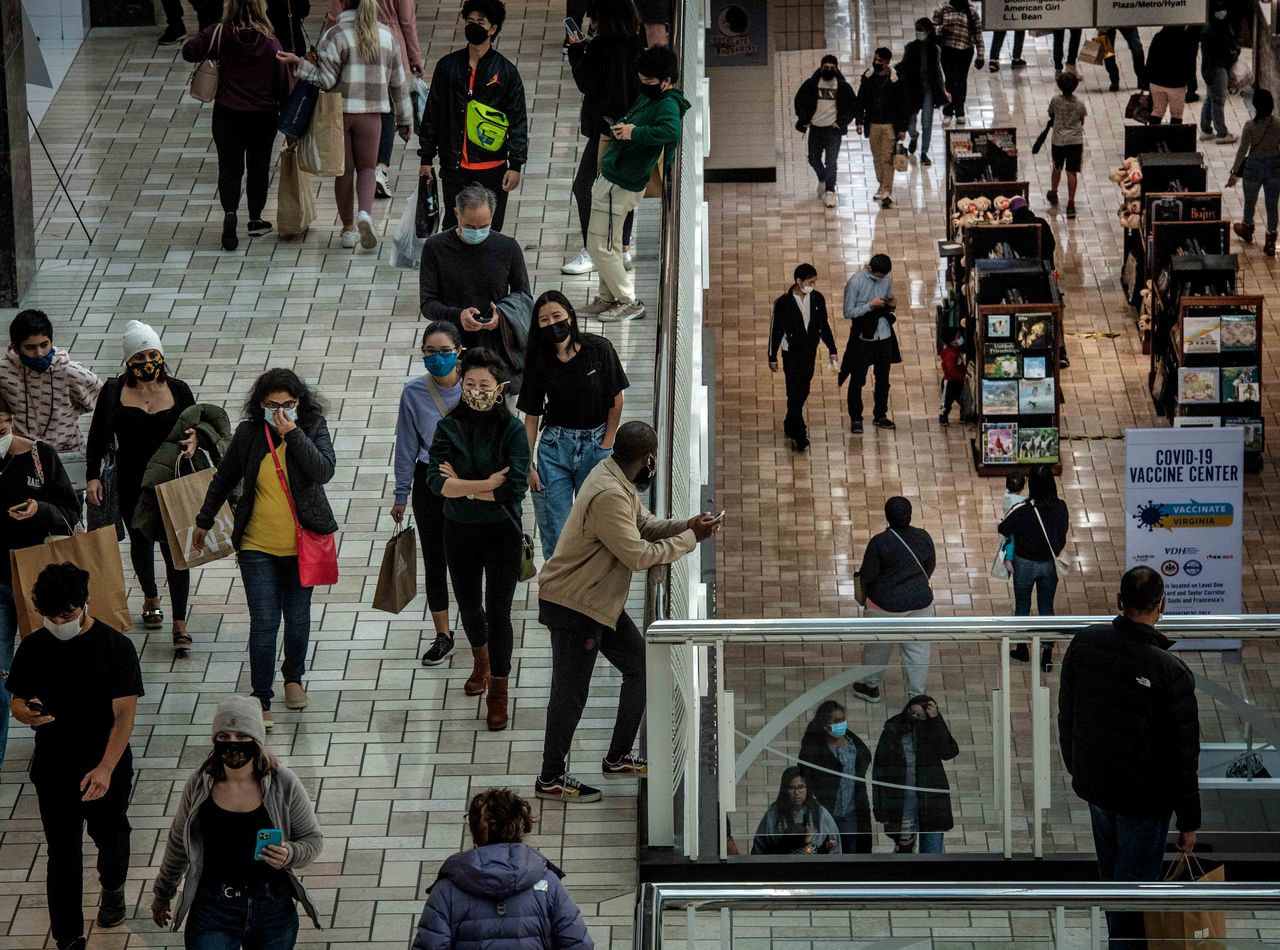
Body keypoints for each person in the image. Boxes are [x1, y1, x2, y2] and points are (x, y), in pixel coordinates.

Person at [534, 421, 722, 803]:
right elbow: (637, 555)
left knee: (641, 665)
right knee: (570, 695)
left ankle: (617, 757)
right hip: (575, 606)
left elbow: (643, 524)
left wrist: (686, 525)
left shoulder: (613, 476)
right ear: (648, 459)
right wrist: (690, 540)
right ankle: (550, 778)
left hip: (598, 602)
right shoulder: (609, 494)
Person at [1059, 567, 1200, 948]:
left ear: (1120, 602)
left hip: (1098, 788)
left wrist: (1078, 767)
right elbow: (1183, 756)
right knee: (1136, 893)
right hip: (1144, 801)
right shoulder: (1171, 671)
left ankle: (1118, 940)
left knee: (1113, 880)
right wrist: (1189, 821)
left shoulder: (1085, 643)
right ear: (1162, 606)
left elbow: (1067, 713)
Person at [5, 562, 143, 950]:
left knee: (111, 836)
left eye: (65, 614)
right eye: (50, 615)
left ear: (83, 604)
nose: (58, 621)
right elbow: (16, 697)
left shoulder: (116, 648)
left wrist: (105, 768)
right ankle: (69, 938)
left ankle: (112, 886)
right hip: (53, 767)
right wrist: (22, 712)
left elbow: (124, 717)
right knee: (62, 854)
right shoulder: (34, 646)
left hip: (106, 764)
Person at [193, 369, 338, 727]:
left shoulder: (312, 426)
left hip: (302, 544)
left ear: (299, 403)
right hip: (257, 545)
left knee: (298, 617)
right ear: (260, 404)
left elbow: (323, 471)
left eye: (288, 404)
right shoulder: (248, 433)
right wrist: (204, 519)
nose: (280, 411)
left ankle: (293, 678)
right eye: (272, 405)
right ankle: (261, 697)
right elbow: (225, 477)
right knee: (264, 622)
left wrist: (294, 433)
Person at [151, 696, 324, 947]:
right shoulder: (199, 784)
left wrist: (289, 854)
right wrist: (163, 893)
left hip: (272, 909)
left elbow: (313, 840)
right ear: (215, 740)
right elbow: (178, 843)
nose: (233, 745)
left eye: (242, 737)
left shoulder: (283, 783)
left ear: (257, 741)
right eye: (224, 736)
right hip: (213, 909)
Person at [426, 348, 530, 732]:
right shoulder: (448, 427)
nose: (475, 390)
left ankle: (499, 691)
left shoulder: (513, 430)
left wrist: (462, 487)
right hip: (459, 530)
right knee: (469, 605)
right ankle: (480, 662)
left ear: (499, 388)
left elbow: (515, 489)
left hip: (502, 532)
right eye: (469, 384)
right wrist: (484, 485)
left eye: (483, 384)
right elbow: (436, 483)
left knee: (499, 612)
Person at [86, 320, 197, 649]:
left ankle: (179, 621)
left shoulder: (179, 390)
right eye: (139, 357)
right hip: (132, 482)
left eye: (152, 355)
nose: (147, 363)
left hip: (171, 481)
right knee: (141, 542)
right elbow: (97, 437)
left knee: (175, 551)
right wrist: (93, 475)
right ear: (128, 361)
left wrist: (194, 440)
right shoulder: (114, 392)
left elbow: (195, 426)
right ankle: (150, 596)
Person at [279, 0, 412, 250]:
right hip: (373, 115)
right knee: (367, 169)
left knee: (344, 171)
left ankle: (348, 229)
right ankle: (365, 214)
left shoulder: (334, 35)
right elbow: (398, 83)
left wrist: (300, 64)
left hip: (339, 115)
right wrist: (405, 120)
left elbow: (326, 81)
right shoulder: (386, 36)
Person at [584, 45, 690, 322]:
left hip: (622, 181)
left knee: (598, 245)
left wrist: (633, 132)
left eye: (649, 81)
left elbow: (671, 131)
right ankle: (609, 296)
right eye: (641, 79)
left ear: (666, 79)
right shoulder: (652, 97)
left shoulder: (667, 103)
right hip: (618, 177)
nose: (643, 85)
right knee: (612, 243)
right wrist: (625, 127)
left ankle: (629, 301)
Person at [519, 291, 628, 560]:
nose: (552, 323)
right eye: (544, 320)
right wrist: (526, 464)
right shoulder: (539, 361)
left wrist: (607, 443)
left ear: (570, 315)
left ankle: (595, 591)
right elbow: (531, 417)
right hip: (555, 447)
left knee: (597, 522)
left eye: (557, 316)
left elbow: (616, 400)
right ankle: (559, 593)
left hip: (595, 444)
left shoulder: (599, 349)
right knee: (556, 528)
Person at [412, 788, 594, 948]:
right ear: (518, 829)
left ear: (475, 832)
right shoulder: (548, 883)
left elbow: (431, 945)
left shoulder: (446, 891)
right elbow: (578, 943)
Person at [0, 411, 79, 767]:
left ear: (12, 419)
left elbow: (70, 511)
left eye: (1, 427)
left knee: (54, 666)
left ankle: (60, 739)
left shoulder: (39, 455)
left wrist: (40, 510)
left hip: (37, 577)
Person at [183, 0, 290, 252]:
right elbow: (283, 85)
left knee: (229, 168)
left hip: (227, 114)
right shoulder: (270, 42)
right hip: (263, 117)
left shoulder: (220, 33)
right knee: (258, 167)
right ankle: (255, 219)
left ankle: (230, 213)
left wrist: (212, 52)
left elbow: (189, 51)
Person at [418, 0, 528, 233]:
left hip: (493, 168)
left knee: (492, 231)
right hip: (454, 167)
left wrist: (516, 164)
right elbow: (432, 114)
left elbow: (518, 119)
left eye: (480, 22)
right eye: (470, 22)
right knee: (453, 228)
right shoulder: (447, 67)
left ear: (493, 29)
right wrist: (426, 158)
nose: (474, 26)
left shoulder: (506, 72)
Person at [392, 322, 463, 666]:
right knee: (435, 558)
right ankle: (443, 634)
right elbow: (406, 445)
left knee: (468, 557)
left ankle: (479, 627)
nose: (437, 359)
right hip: (430, 480)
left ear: (459, 352)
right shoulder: (413, 393)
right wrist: (401, 494)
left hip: (470, 481)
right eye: (430, 352)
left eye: (445, 352)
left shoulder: (477, 385)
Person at [565, 0, 647, 273]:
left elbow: (585, 82)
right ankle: (622, 248)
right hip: (632, 129)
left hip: (605, 131)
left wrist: (577, 49)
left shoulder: (600, 47)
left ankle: (594, 249)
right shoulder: (636, 42)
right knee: (625, 186)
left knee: (584, 187)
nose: (591, 25)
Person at [322, 0, 424, 199]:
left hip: (349, 42)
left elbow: (333, 16)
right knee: (387, 108)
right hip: (386, 42)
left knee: (354, 106)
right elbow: (407, 21)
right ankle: (380, 167)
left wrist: (328, 44)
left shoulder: (338, 30)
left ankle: (352, 166)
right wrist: (414, 57)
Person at [419, 184, 532, 348]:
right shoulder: (435, 247)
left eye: (484, 226)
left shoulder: (508, 247)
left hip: (496, 343)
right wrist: (458, 316)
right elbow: (428, 303)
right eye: (470, 227)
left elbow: (523, 296)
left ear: (492, 216)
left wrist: (501, 315)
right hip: (452, 344)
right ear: (457, 213)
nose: (477, 232)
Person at [851, 497, 936, 704]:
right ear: (910, 514)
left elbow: (868, 575)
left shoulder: (879, 542)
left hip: (884, 607)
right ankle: (916, 697)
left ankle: (871, 687)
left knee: (877, 647)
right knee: (918, 650)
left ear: (887, 517)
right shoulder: (923, 537)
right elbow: (930, 565)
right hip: (920, 604)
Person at [0, 309, 103, 462]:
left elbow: (101, 396)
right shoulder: (4, 372)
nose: (39, 353)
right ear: (16, 348)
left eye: (44, 345)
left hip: (68, 453)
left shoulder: (70, 371)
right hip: (23, 454)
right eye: (30, 347)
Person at [998, 464, 1069, 671]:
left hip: (1025, 564)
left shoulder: (1025, 511)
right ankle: (1046, 654)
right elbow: (1062, 533)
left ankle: (1022, 649)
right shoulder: (1061, 507)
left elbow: (1003, 528)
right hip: (1050, 565)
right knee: (1046, 607)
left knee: (1022, 606)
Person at [872, 695, 959, 854]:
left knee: (932, 849)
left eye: (919, 716)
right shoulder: (893, 729)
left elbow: (949, 751)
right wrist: (881, 808)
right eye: (912, 712)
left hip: (930, 802)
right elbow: (880, 770)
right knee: (904, 848)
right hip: (903, 802)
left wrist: (936, 720)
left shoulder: (932, 729)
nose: (913, 717)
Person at [768, 263, 838, 451]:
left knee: (803, 389)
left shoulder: (817, 299)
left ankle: (790, 421)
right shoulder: (783, 303)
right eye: (810, 282)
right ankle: (799, 433)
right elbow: (776, 330)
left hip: (809, 352)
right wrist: (772, 355)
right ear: (799, 281)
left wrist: (832, 349)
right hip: (791, 353)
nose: (813, 285)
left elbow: (824, 325)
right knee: (794, 390)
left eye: (814, 282)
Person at [798, 700, 872, 854]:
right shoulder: (814, 751)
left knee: (851, 853)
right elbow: (805, 779)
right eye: (836, 721)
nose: (842, 723)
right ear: (825, 725)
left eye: (843, 719)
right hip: (824, 815)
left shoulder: (853, 747)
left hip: (851, 814)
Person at [839, 253, 902, 434]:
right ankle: (856, 418)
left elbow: (890, 301)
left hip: (884, 335)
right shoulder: (855, 282)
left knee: (883, 378)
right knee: (858, 379)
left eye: (885, 275)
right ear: (872, 270)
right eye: (880, 275)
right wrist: (870, 306)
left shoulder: (886, 279)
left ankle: (880, 414)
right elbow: (848, 312)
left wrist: (892, 304)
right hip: (863, 337)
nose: (883, 278)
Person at [794, 54, 857, 207]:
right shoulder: (811, 84)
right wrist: (804, 119)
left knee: (831, 162)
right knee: (813, 159)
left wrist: (841, 122)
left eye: (832, 68)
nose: (829, 70)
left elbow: (852, 106)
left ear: (836, 69)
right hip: (815, 128)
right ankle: (823, 178)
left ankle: (830, 191)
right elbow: (799, 101)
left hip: (833, 130)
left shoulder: (842, 86)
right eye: (826, 68)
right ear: (821, 68)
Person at [853, 47, 908, 209]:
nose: (876, 63)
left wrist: (903, 128)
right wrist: (859, 121)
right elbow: (861, 100)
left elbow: (903, 105)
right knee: (877, 157)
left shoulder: (896, 80)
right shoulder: (868, 77)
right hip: (873, 123)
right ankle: (881, 184)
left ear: (887, 62)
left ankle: (886, 190)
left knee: (887, 157)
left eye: (880, 61)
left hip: (890, 125)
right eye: (875, 59)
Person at [1228, 89, 1280, 256]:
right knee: (1272, 205)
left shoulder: (1250, 126)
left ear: (1255, 105)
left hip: (1253, 167)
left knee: (1250, 201)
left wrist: (1234, 172)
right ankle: (1271, 240)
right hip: (1274, 167)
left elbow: (1242, 150)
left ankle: (1247, 228)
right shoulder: (1278, 124)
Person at [751, 766, 841, 855]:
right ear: (785, 790)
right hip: (781, 865)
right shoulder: (774, 812)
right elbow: (759, 848)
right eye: (792, 788)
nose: (796, 792)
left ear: (807, 788)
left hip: (813, 865)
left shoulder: (819, 811)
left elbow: (835, 847)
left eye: (801, 787)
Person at [899, 20, 948, 168]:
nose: (918, 32)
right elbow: (903, 68)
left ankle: (924, 152)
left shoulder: (935, 49)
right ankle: (914, 136)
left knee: (927, 122)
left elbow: (938, 72)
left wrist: (943, 90)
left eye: (921, 30)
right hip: (913, 88)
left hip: (929, 88)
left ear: (928, 31)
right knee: (910, 121)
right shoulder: (910, 47)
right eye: (917, 30)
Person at [932, 0, 983, 126]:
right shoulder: (943, 9)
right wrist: (940, 30)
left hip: (965, 51)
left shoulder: (972, 11)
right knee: (950, 80)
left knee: (961, 80)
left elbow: (977, 33)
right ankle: (948, 112)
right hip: (947, 50)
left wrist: (980, 55)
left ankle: (960, 112)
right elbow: (933, 28)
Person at [1045, 71, 1087, 219]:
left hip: (1058, 140)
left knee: (1057, 166)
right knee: (1072, 172)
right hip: (1075, 141)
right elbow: (1082, 120)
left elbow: (1051, 114)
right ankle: (1070, 203)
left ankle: (1054, 192)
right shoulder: (1080, 103)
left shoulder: (1055, 101)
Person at [1200, 4, 1238, 145]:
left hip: (1210, 69)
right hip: (1217, 69)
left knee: (1211, 98)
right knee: (1218, 101)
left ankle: (1206, 128)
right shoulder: (1216, 30)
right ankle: (1221, 132)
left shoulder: (1209, 29)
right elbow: (1225, 49)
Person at [1146, 26, 1190, 125]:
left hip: (1157, 82)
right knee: (1176, 115)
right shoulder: (1184, 38)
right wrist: (1191, 84)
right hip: (1177, 84)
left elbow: (1150, 60)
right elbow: (1189, 62)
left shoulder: (1158, 37)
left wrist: (1146, 81)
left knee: (1157, 112)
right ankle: (1174, 138)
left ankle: (1153, 138)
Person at [1101, 27, 1146, 92]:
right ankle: (1114, 79)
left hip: (1125, 20)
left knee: (1137, 49)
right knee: (1107, 53)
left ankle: (1142, 79)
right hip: (1106, 22)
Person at [937, 330, 966, 426]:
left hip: (959, 381)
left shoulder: (957, 350)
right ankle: (943, 416)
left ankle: (964, 415)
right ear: (952, 342)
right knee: (946, 401)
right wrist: (961, 376)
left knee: (963, 399)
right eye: (958, 337)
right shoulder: (950, 354)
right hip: (949, 382)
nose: (960, 338)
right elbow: (951, 369)